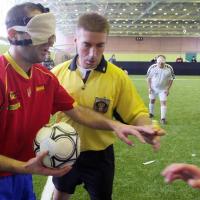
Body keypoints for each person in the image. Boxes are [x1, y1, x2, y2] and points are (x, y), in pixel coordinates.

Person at [0, 3, 164, 200]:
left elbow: (76, 110)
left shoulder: (46, 78)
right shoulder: (36, 75)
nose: (51, 41)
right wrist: (24, 167)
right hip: (23, 167)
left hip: (29, 174)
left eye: (100, 45)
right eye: (41, 32)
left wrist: (118, 125)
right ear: (13, 34)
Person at [47, 13, 165, 200]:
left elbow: (135, 112)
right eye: (87, 44)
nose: (93, 54)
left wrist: (146, 126)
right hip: (63, 148)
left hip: (100, 155)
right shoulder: (56, 74)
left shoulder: (118, 77)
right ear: (76, 41)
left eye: (100, 45)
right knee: (60, 193)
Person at [147, 55, 175, 124]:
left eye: (162, 63)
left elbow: (171, 79)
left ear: (164, 62)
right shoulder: (152, 68)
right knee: (152, 100)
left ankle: (163, 118)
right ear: (156, 62)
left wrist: (168, 89)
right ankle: (151, 113)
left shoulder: (169, 68)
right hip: (153, 88)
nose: (160, 64)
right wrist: (149, 88)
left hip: (163, 89)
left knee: (163, 102)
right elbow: (149, 78)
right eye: (158, 63)